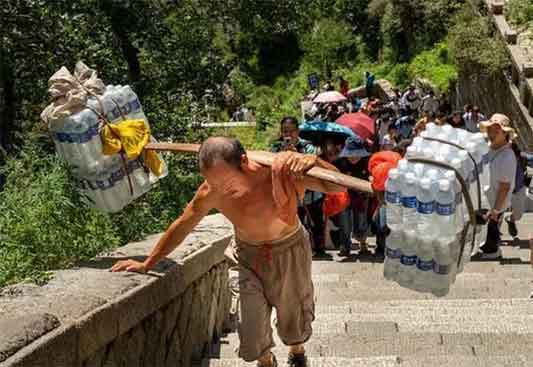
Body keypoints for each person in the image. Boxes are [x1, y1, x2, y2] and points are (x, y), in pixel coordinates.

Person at [111, 136, 345, 367]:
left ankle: (297, 351)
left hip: (289, 249)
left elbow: (337, 185)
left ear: (243, 162)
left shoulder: (280, 170)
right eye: (214, 182)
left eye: (227, 182)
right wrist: (148, 263)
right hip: (246, 256)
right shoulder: (211, 191)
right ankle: (265, 361)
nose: (222, 189)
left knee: (292, 317)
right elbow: (183, 225)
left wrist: (313, 162)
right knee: (249, 326)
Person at [271, 117, 327, 257]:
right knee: (296, 223)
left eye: (291, 131)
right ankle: (298, 252)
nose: (288, 134)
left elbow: (315, 160)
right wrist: (282, 154)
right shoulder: (275, 148)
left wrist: (296, 154)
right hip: (290, 193)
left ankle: (319, 249)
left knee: (316, 221)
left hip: (311, 192)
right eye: (285, 131)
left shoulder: (308, 146)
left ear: (297, 131)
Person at [477, 114, 518, 259]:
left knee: (491, 230)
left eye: (496, 130)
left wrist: (496, 209)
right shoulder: (488, 148)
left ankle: (493, 252)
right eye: (490, 130)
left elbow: (504, 187)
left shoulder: (507, 156)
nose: (491, 133)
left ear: (505, 133)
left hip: (495, 200)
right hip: (484, 197)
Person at [334, 136, 372, 253]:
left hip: (362, 196)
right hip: (344, 196)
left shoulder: (367, 162)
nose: (353, 157)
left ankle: (363, 242)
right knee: (344, 222)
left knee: (361, 219)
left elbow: (371, 175)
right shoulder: (339, 163)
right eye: (351, 154)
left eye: (357, 154)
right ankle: (345, 245)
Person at [320, 140, 353, 257]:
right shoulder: (319, 160)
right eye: (327, 150)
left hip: (341, 197)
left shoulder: (344, 160)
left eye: (332, 150)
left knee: (344, 222)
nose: (330, 153)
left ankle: (345, 246)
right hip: (324, 197)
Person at [505, 142, 528, 238]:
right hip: (505, 190)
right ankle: (494, 234)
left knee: (519, 215)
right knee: (497, 212)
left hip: (519, 189)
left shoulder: (522, 158)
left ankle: (511, 220)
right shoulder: (502, 160)